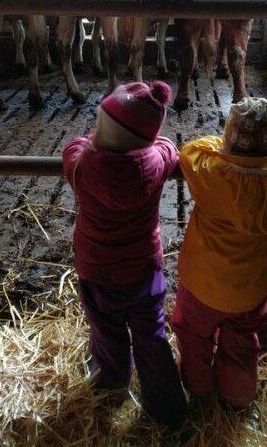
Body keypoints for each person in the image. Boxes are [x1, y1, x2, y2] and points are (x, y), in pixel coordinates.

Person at [62, 81, 187, 430]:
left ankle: (110, 390)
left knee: (106, 332)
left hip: (96, 272)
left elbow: (72, 148)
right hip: (143, 270)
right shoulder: (156, 162)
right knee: (152, 334)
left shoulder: (82, 167)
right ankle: (165, 408)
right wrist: (155, 141)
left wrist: (89, 141)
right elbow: (169, 148)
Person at [172, 97, 267, 409]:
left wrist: (223, 149)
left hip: (202, 287)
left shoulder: (213, 175)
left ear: (228, 140)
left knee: (194, 339)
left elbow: (191, 150)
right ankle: (238, 399)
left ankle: (199, 390)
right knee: (242, 346)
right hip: (250, 292)